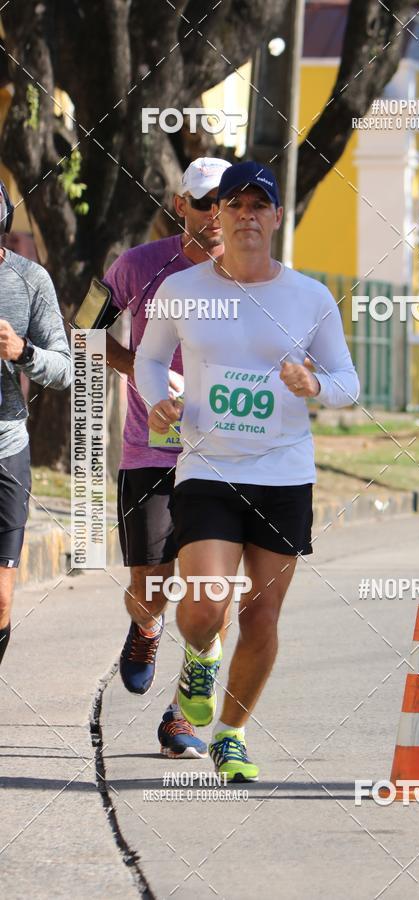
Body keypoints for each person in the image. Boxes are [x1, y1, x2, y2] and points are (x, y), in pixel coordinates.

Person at [135, 161, 360, 782]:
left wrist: (313, 383)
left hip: (284, 473)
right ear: (217, 216)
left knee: (261, 616)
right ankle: (200, 654)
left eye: (260, 205)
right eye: (235, 205)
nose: (247, 215)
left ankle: (230, 735)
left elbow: (348, 381)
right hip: (207, 467)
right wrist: (160, 400)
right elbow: (151, 360)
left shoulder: (309, 297)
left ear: (277, 217)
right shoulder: (183, 291)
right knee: (207, 604)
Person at [102, 157, 231, 759]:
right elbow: (87, 327)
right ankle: (147, 626)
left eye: (226, 202)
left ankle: (181, 715)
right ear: (181, 204)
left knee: (212, 594)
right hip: (150, 450)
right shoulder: (137, 266)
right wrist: (147, 378)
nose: (215, 214)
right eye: (203, 202)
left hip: (226, 456)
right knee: (150, 588)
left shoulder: (257, 278)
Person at [0, 180, 71, 666]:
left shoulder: (29, 280)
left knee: (1, 598)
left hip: (5, 447)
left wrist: (22, 352)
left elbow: (66, 367)